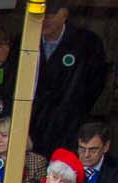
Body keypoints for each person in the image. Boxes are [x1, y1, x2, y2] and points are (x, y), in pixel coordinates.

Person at [30, 7, 109, 157]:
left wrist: (74, 107)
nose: (46, 20)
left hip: (68, 124)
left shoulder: (86, 43)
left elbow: (96, 83)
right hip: (32, 123)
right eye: (42, 16)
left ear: (64, 14)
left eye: (51, 15)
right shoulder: (25, 41)